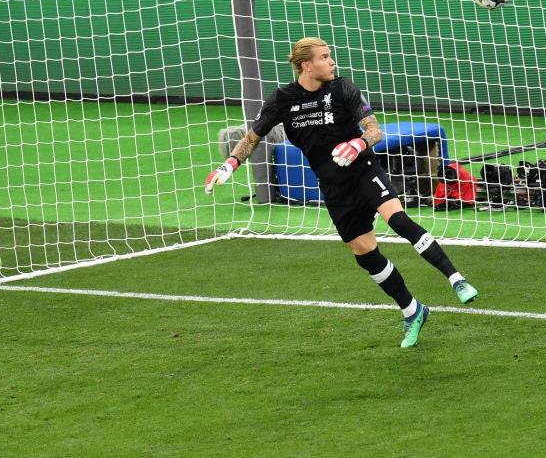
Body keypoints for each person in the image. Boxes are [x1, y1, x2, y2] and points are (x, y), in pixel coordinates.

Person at [204, 37, 478, 348]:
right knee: (365, 254)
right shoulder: (282, 100)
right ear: (306, 65)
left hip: (364, 171)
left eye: (330, 55)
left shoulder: (343, 88)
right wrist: (229, 164)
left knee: (399, 221)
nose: (331, 61)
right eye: (324, 57)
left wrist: (358, 143)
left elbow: (374, 129)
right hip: (334, 187)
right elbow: (253, 137)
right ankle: (412, 310)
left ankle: (457, 279)